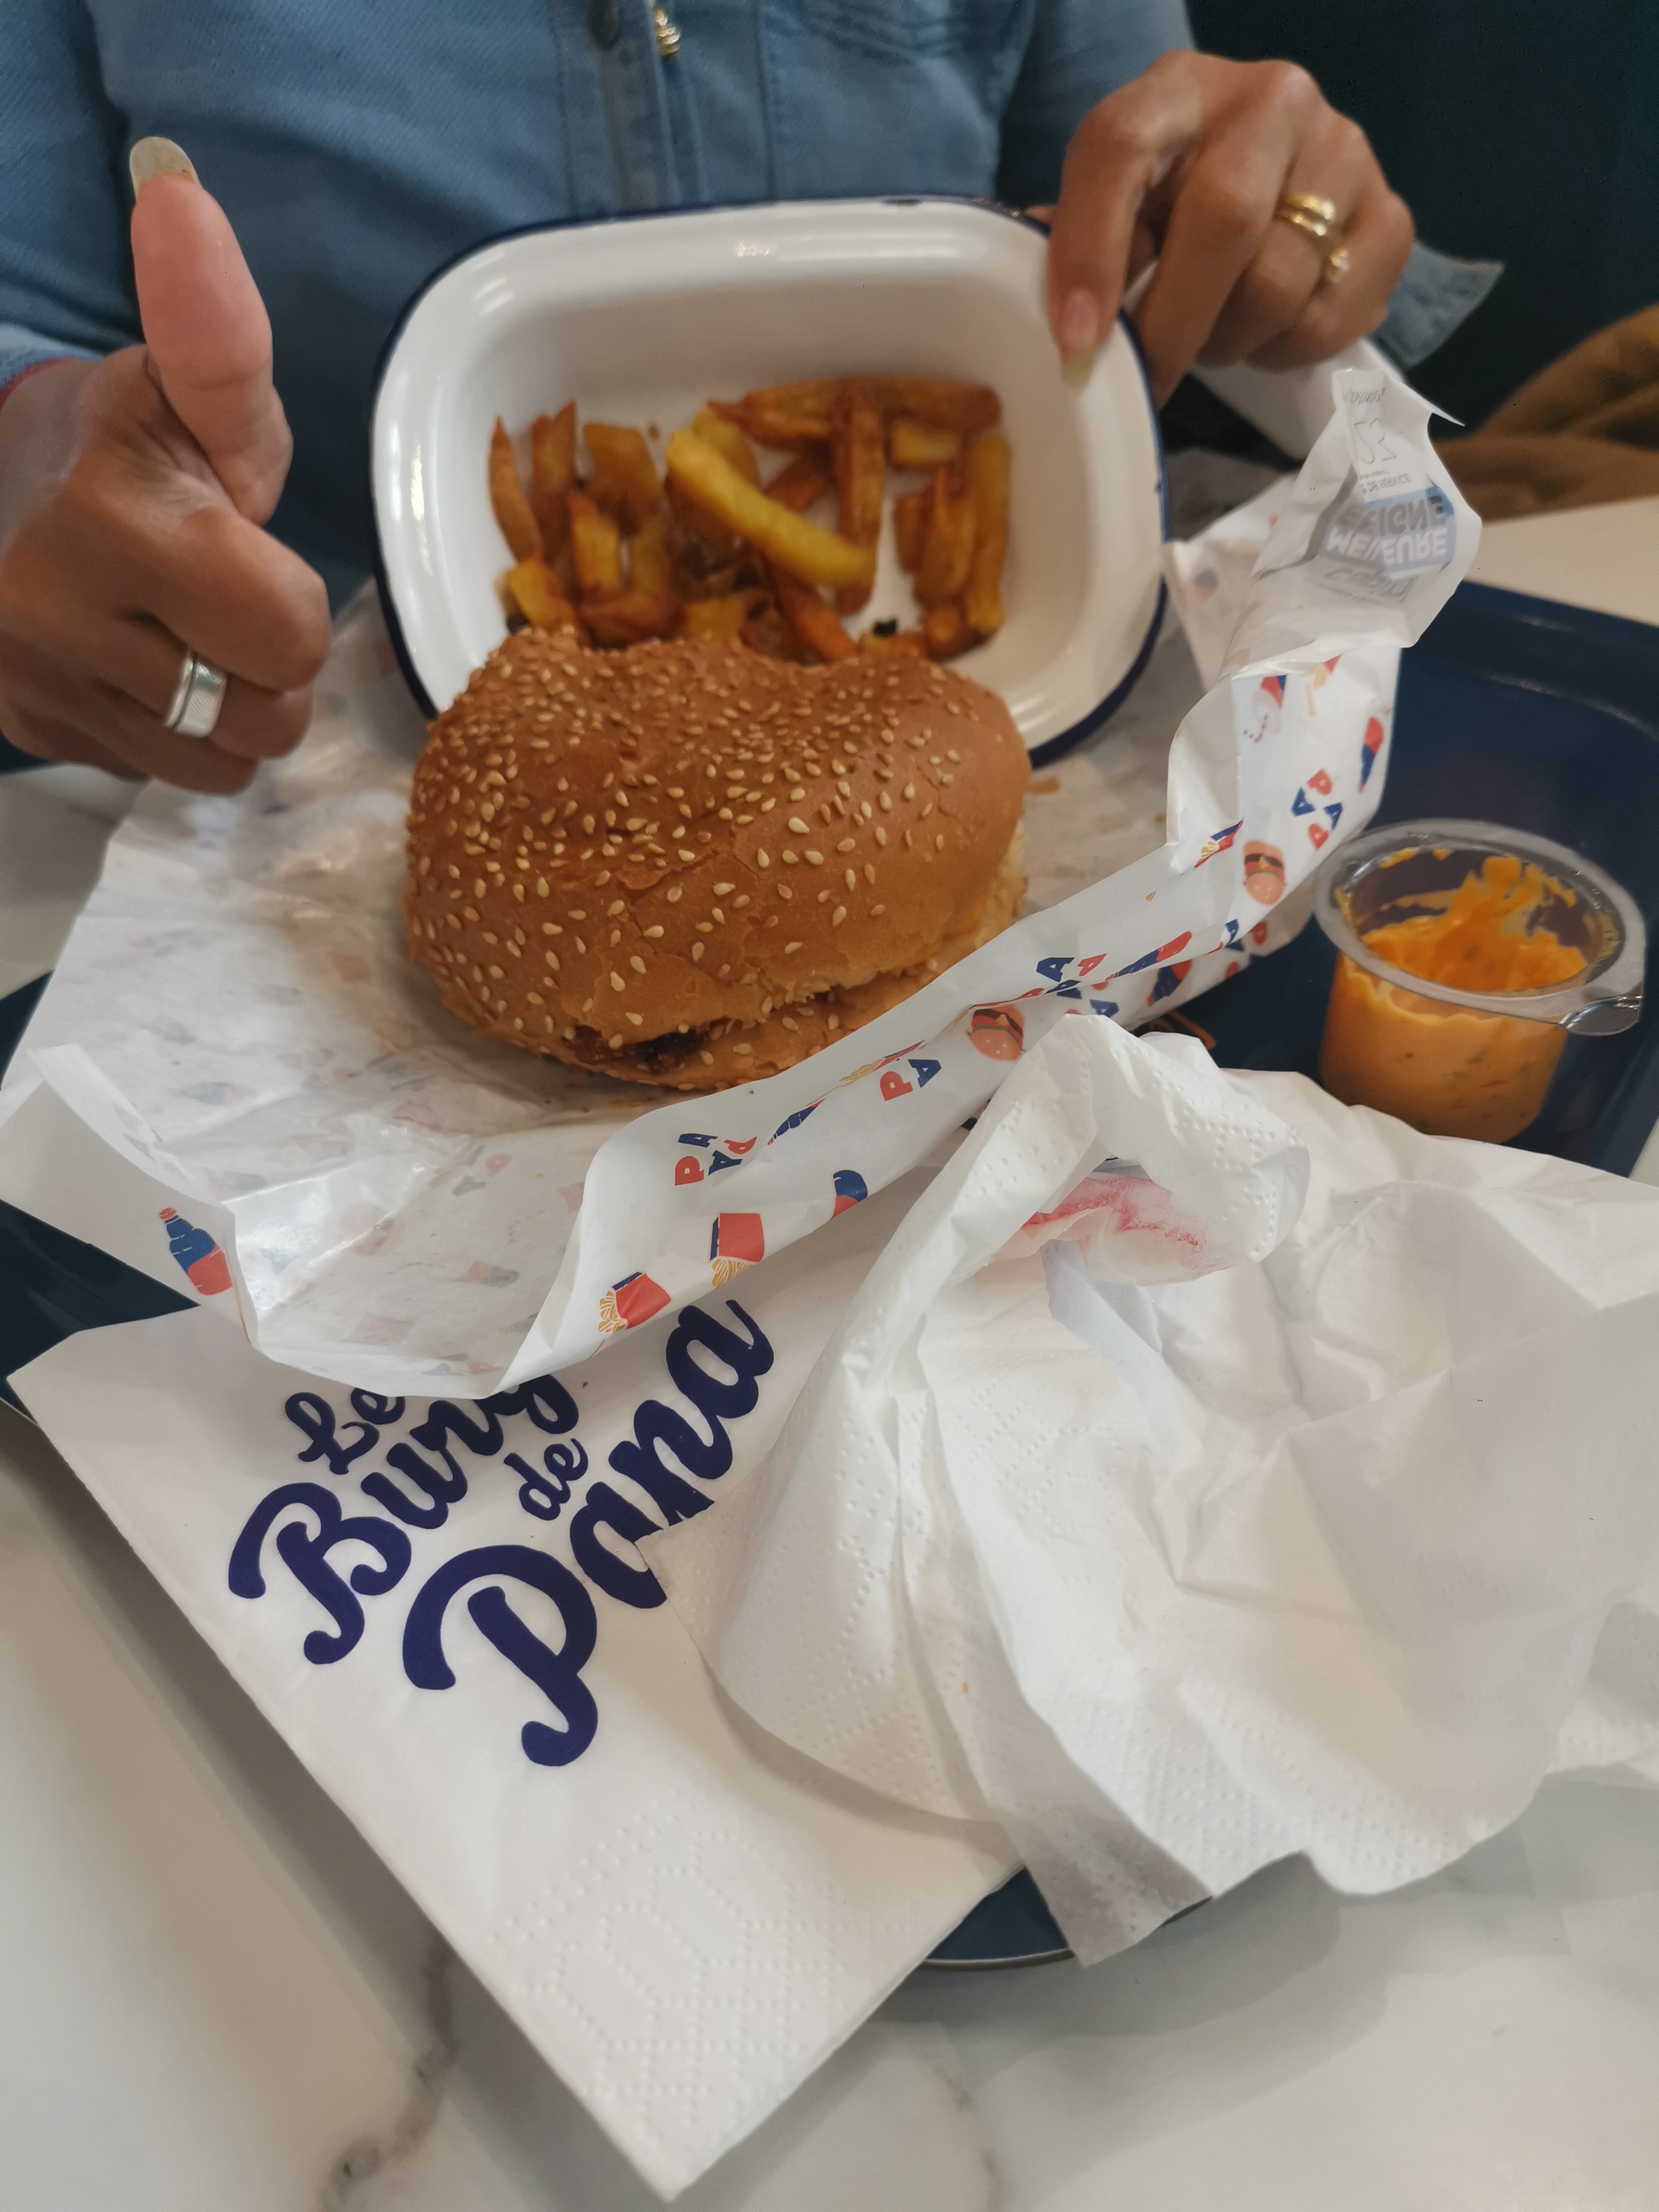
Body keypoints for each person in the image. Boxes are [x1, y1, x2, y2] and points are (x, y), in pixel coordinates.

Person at [0, 1, 1412, 794]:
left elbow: (1143, 193)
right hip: (289, 777)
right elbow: (28, 331)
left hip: (1002, 763)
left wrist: (1270, 218)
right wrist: (32, 455)